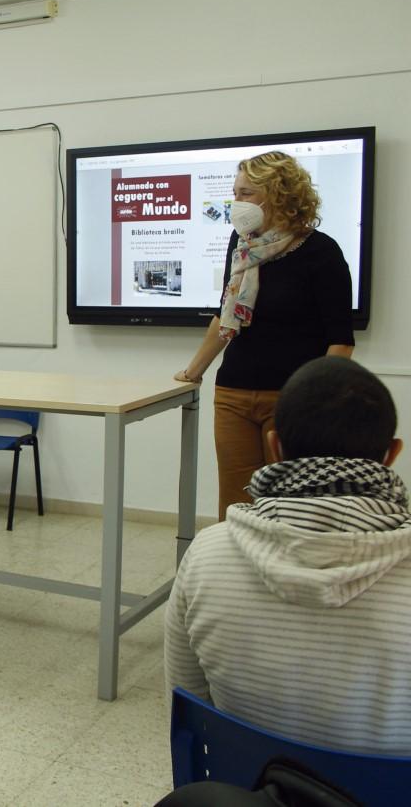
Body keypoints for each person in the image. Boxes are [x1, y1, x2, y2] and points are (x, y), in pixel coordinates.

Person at [165, 356, 411, 754]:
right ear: (392, 454)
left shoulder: (207, 555)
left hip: (246, 782)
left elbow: (186, 713)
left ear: (274, 446)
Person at [175, 151, 355, 520]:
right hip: (233, 392)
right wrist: (193, 372)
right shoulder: (242, 243)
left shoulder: (321, 251)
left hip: (292, 398)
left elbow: (341, 341)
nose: (236, 203)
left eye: (246, 193)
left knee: (288, 504)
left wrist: (314, 402)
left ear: (278, 194)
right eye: (235, 193)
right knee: (236, 503)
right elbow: (226, 314)